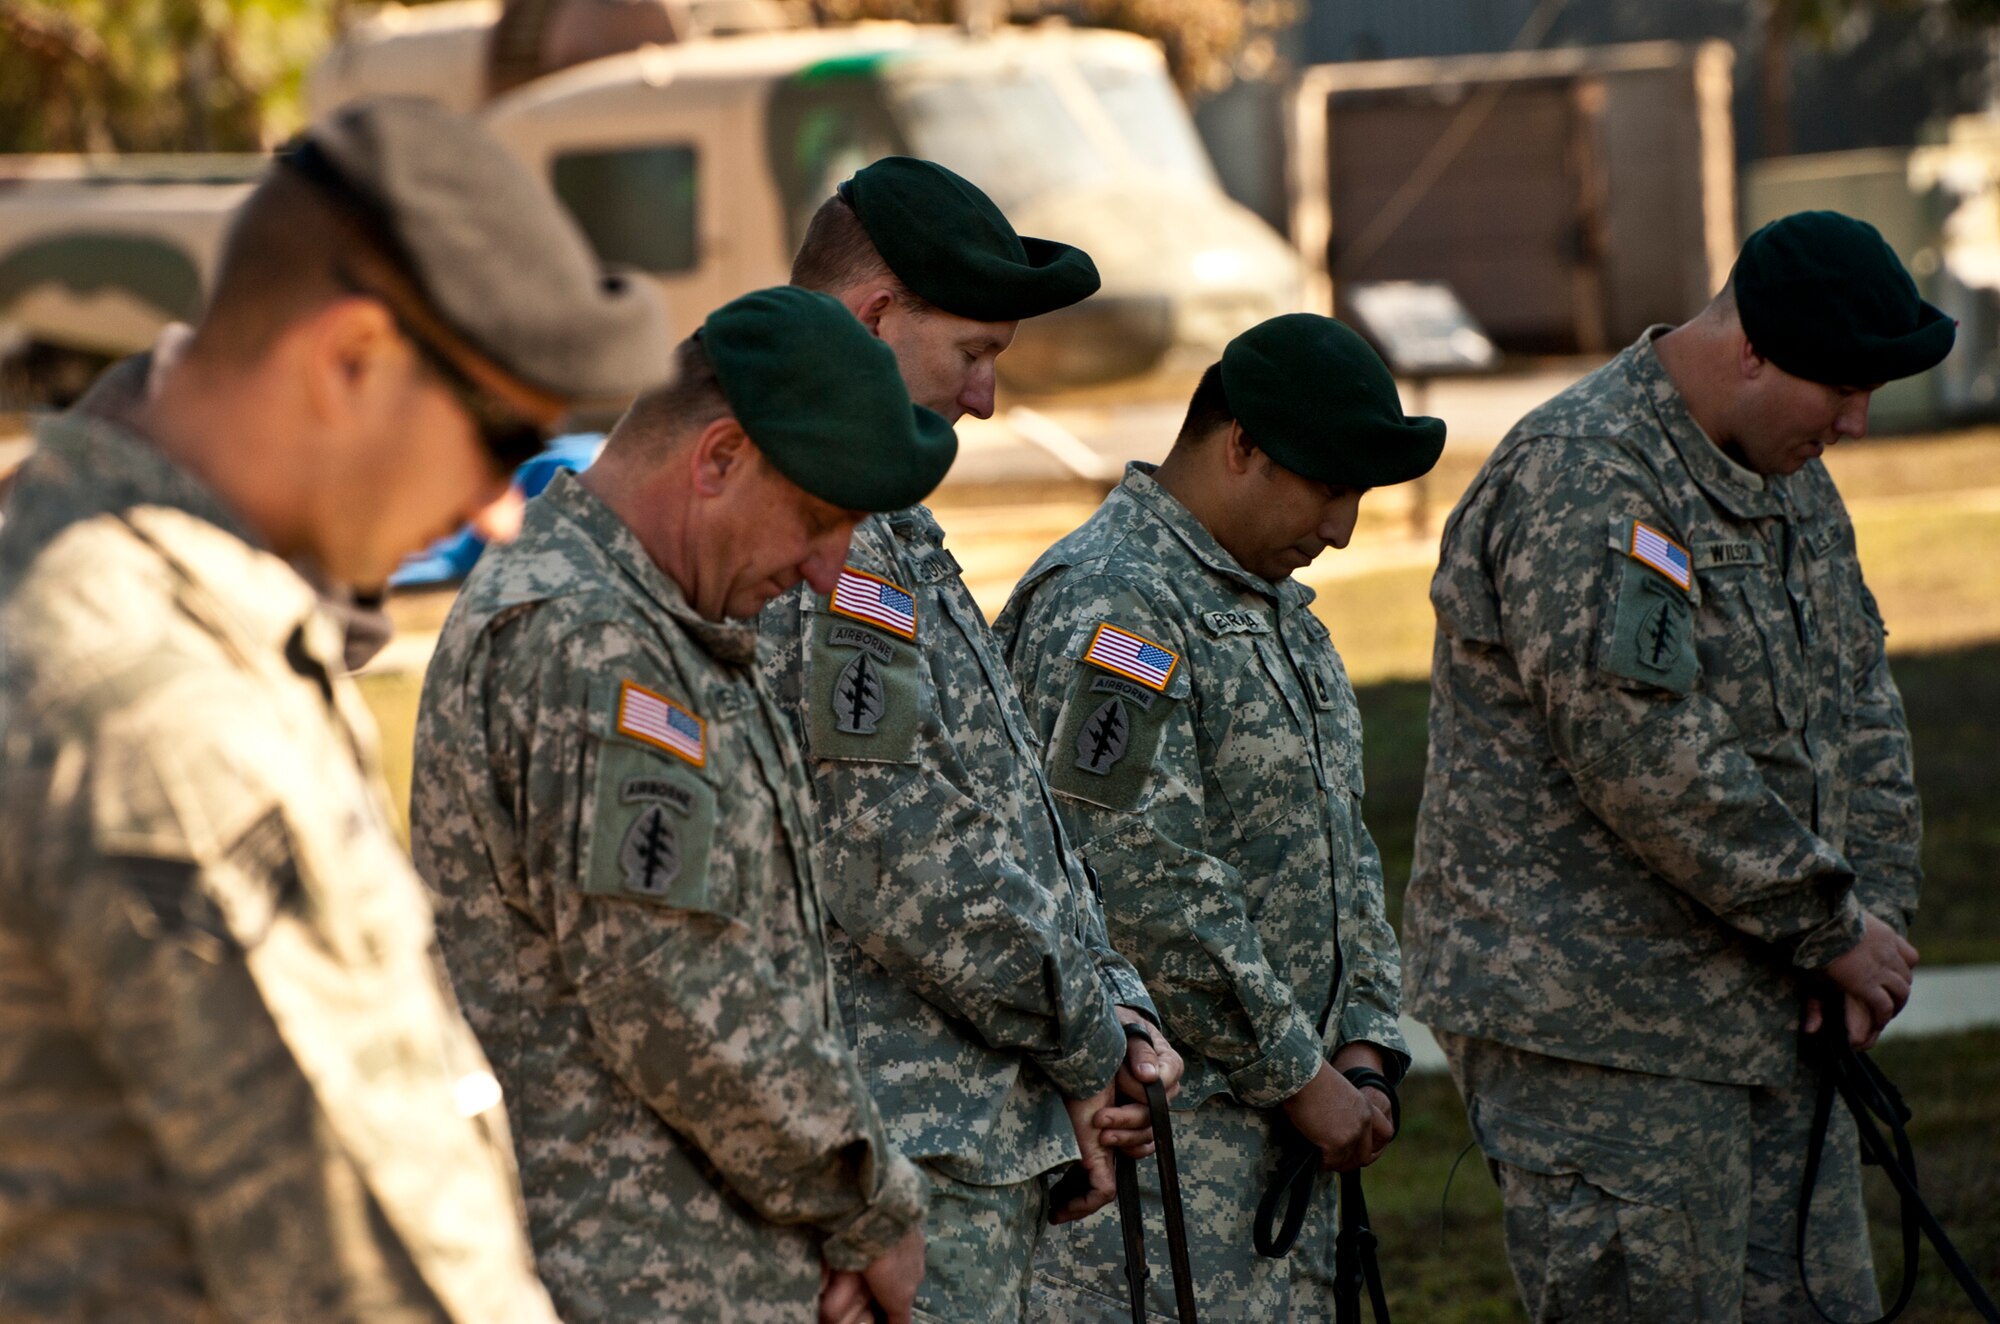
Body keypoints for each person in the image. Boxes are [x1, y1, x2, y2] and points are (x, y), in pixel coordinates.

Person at [0, 97, 669, 1323]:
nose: (499, 511)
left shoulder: (102, 575)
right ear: (352, 357)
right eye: (502, 434)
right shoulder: (159, 709)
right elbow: (378, 1275)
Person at [1400, 210, 1950, 1321]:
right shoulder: (1584, 475)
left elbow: (1859, 709)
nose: (1853, 421)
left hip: (1779, 1012)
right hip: (1604, 1045)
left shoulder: (1786, 476)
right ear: (1748, 347)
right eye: (1837, 388)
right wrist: (1827, 925)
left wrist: (1865, 932)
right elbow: (1639, 749)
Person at [410, 286, 955, 1324]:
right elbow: (680, 995)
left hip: (713, 1264)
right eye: (817, 518)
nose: (826, 568)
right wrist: (868, 1205)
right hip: (630, 1279)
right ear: (716, 458)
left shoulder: (670, 623)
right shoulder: (586, 640)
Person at [760, 156, 1183, 1324]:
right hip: (897, 1159)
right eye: (973, 356)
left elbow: (1009, 813)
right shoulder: (803, 524)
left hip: (969, 1142)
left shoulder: (883, 513)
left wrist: (1111, 1011)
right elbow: (900, 854)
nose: (985, 399)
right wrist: (1093, 1038)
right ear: (874, 316)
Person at [998, 313, 1442, 1321]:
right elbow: (1142, 881)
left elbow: (1340, 856)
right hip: (1166, 1178)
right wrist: (1303, 1080)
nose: (1339, 528)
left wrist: (1365, 1051)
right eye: (1327, 487)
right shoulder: (1116, 605)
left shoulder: (1271, 607)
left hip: (1280, 1160)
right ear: (1238, 443)